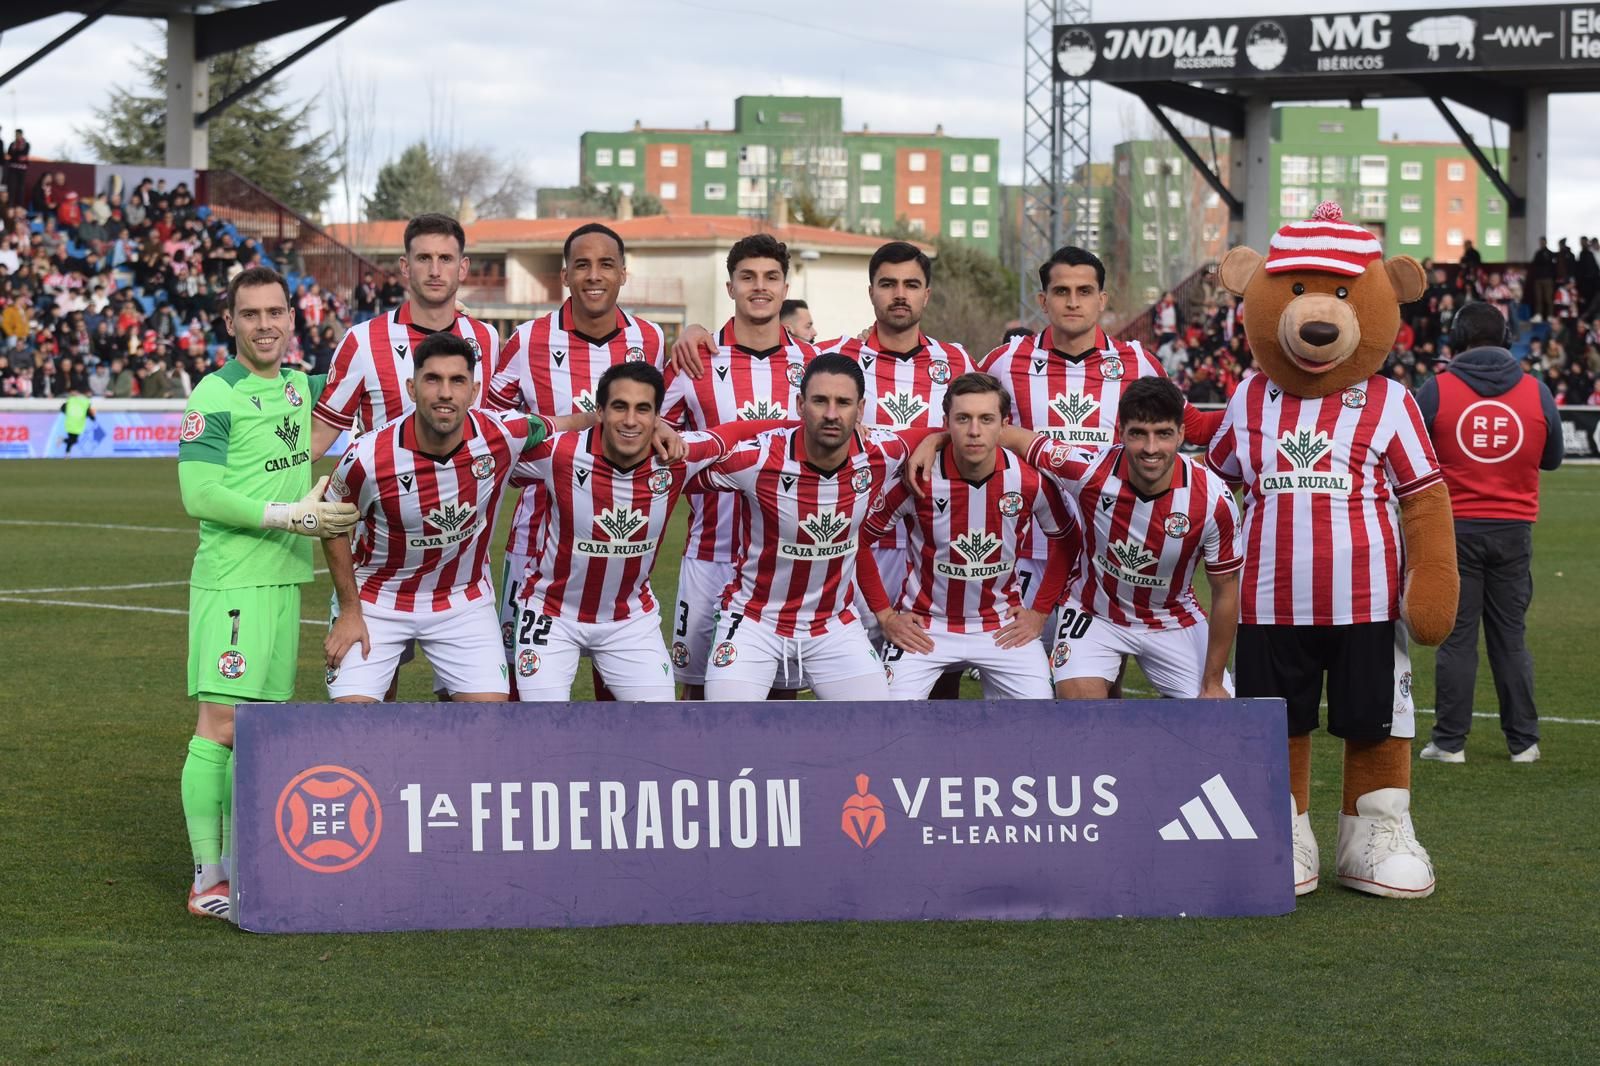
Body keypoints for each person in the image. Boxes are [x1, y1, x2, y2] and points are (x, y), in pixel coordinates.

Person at [175, 266, 359, 920]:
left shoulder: (300, 386)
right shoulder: (214, 394)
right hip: (233, 583)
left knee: (256, 729)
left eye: (275, 312)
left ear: (292, 316)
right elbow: (198, 494)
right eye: (250, 314)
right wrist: (287, 515)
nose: (265, 324)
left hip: (284, 582)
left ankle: (239, 865)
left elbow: (364, 382)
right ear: (230, 323)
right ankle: (207, 877)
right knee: (220, 726)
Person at [321, 334, 586, 702]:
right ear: (412, 388)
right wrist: (350, 610)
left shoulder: (502, 433)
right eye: (433, 379)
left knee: (487, 721)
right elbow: (331, 523)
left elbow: (565, 423)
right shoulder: (366, 457)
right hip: (376, 601)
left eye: (457, 381)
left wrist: (639, 424)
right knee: (352, 721)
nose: (445, 392)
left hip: (462, 600)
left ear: (474, 391)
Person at [978, 247, 1219, 642]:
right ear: (1043, 300)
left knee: (1101, 686)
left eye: (1085, 291)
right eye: (1061, 291)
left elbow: (1194, 427)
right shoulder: (1005, 361)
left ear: (1102, 300)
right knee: (1022, 686)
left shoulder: (1138, 363)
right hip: (1025, 549)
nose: (1073, 302)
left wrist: (1263, 399)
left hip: (1107, 551)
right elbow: (959, 419)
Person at [508, 362, 778, 700]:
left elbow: (733, 433)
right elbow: (494, 446)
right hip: (552, 614)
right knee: (540, 726)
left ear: (658, 417)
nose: (631, 420)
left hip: (630, 620)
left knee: (656, 729)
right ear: (601, 412)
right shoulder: (559, 452)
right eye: (620, 407)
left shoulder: (678, 455)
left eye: (643, 410)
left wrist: (803, 424)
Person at [481, 223, 666, 696]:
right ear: (565, 275)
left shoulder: (652, 339)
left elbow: (668, 425)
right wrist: (571, 424)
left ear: (624, 273)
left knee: (619, 693)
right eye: (582, 265)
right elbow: (492, 433)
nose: (594, 275)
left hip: (622, 547)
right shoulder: (526, 341)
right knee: (523, 693)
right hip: (534, 547)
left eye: (606, 264)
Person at [692, 354, 931, 700]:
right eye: (820, 401)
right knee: (729, 729)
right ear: (800, 405)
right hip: (755, 622)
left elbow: (954, 430)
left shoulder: (883, 451)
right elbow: (678, 470)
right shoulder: (758, 459)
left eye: (843, 403)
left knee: (876, 728)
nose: (832, 414)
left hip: (833, 626)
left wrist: (934, 442)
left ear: (861, 409)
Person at [1012, 377, 1241, 699]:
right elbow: (1012, 436)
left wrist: (1213, 682)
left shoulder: (1213, 500)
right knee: (1079, 703)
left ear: (1181, 435)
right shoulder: (1089, 470)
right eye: (1138, 434)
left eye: (1163, 434)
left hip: (1172, 618)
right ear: (1121, 433)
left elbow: (1226, 591)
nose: (1150, 448)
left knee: (1217, 716)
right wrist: (935, 440)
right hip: (1094, 612)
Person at [659, 234, 817, 698]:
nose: (760, 287)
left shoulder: (815, 363)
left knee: (780, 693)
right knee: (696, 691)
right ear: (730, 287)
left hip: (785, 561)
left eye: (771, 277)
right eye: (747, 277)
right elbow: (656, 441)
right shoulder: (694, 359)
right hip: (711, 553)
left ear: (786, 287)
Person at [858, 372, 1067, 700]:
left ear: (1004, 424)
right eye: (963, 418)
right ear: (946, 423)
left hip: (1002, 627)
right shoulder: (917, 479)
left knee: (1037, 716)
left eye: (986, 419)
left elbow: (1067, 542)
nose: (974, 431)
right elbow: (857, 542)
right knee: (887, 715)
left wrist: (1039, 613)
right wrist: (885, 616)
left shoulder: (1029, 482)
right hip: (925, 626)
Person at [1415, 301, 1563, 763]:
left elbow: (1408, 456)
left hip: (1453, 529)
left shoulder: (1435, 390)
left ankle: (1449, 742)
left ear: (1456, 340)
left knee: (1458, 638)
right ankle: (1524, 742)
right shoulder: (1536, 392)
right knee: (1510, 638)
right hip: (1514, 531)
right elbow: (1552, 458)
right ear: (1506, 340)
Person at [311, 213, 496, 459]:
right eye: (423, 258)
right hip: (382, 496)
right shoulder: (362, 341)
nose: (435, 270)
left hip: (471, 497)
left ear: (462, 268)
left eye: (445, 258)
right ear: (405, 267)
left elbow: (497, 430)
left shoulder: (486, 338)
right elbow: (315, 442)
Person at [59, 389, 96, 454]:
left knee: (72, 439)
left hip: (71, 422)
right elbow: (88, 412)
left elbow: (63, 408)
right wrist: (92, 418)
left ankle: (67, 452)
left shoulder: (72, 400)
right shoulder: (85, 402)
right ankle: (65, 446)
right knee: (73, 440)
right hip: (78, 423)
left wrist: (69, 414)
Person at [3, 129, 27, 206]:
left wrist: (15, 155)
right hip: (12, 169)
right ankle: (10, 204)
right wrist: (16, 156)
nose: (17, 136)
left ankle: (20, 205)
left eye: (18, 134)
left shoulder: (26, 144)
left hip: (22, 169)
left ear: (21, 134)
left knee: (21, 188)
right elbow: (10, 154)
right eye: (16, 134)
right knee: (12, 187)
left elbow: (23, 154)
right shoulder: (12, 144)